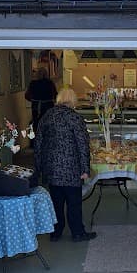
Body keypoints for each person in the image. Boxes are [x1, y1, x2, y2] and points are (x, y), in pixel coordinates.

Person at [34, 87, 97, 242]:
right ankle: (77, 233)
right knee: (74, 203)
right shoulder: (75, 118)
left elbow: (38, 143)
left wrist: (38, 167)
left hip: (52, 168)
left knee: (56, 202)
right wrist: (85, 169)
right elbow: (83, 145)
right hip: (71, 168)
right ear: (73, 101)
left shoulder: (47, 116)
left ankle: (56, 232)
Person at [25, 66, 58, 132]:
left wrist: (33, 100)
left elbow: (27, 96)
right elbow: (55, 95)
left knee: (36, 125)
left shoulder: (33, 83)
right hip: (48, 106)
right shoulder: (50, 83)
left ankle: (36, 139)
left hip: (36, 107)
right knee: (48, 125)